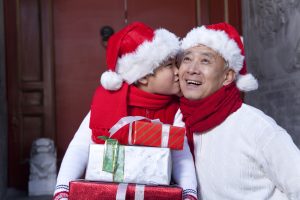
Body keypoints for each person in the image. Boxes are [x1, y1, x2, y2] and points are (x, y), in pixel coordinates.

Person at [53, 22, 197, 200]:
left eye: (177, 64)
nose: (178, 72)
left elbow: (181, 156)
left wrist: (190, 192)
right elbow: (79, 148)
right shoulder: (107, 102)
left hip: (154, 193)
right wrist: (62, 190)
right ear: (144, 76)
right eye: (169, 66)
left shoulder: (175, 108)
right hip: (110, 191)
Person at [174, 22, 300, 200]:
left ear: (227, 77)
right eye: (187, 58)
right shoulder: (177, 120)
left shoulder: (258, 128)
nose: (192, 69)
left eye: (205, 60)